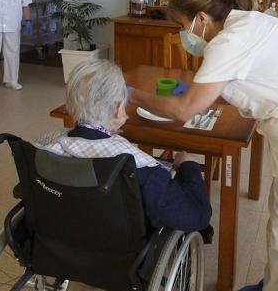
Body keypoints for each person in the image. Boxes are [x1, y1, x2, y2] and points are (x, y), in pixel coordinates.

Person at [127, 0, 278, 291]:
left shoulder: (229, 42)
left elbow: (184, 110)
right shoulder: (253, 22)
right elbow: (242, 82)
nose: (182, 34)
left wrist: (133, 95)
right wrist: (200, 93)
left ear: (201, 18)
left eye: (181, 25)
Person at [35, 59, 212, 232]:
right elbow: (198, 216)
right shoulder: (135, 166)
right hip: (119, 248)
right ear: (119, 108)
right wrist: (189, 166)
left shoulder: (41, 148)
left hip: (62, 238)